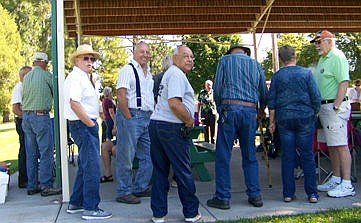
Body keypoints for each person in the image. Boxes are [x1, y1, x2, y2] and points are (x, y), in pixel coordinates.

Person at [207, 44, 267, 209]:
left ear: (231, 52)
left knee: (223, 155)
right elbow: (263, 90)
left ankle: (223, 197)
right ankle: (255, 195)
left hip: (230, 108)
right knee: (250, 155)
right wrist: (261, 109)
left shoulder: (225, 61)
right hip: (250, 111)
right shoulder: (255, 64)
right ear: (245, 52)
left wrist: (220, 108)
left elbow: (218, 88)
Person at [149, 45, 201, 223]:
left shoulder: (169, 74)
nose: (190, 60)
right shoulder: (177, 74)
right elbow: (174, 103)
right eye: (185, 56)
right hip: (172, 127)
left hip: (157, 124)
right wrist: (189, 120)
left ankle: (158, 214)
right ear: (175, 57)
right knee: (183, 171)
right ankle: (191, 213)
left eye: (192, 57)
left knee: (160, 171)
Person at [267, 45, 321, 203]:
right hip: (305, 116)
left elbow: (272, 102)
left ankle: (288, 194)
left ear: (281, 58)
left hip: (284, 118)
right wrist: (315, 112)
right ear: (294, 56)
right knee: (307, 155)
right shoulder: (306, 73)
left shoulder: (277, 76)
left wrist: (271, 122)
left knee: (288, 156)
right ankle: (312, 194)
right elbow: (315, 96)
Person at [64, 44, 112, 220]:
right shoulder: (77, 78)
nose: (90, 61)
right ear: (77, 60)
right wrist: (91, 125)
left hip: (83, 125)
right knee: (92, 166)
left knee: (85, 165)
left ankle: (76, 203)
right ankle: (91, 208)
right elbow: (74, 103)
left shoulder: (83, 77)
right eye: (86, 58)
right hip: (83, 125)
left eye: (92, 58)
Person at [311, 30, 356, 198]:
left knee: (341, 145)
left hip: (333, 107)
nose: (317, 46)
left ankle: (346, 183)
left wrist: (336, 105)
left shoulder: (337, 56)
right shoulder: (324, 59)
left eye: (318, 42)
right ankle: (336, 178)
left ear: (329, 41)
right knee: (331, 145)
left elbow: (343, 82)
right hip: (324, 107)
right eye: (316, 43)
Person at [115, 41, 154, 204]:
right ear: (134, 53)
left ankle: (140, 187)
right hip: (131, 115)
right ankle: (124, 191)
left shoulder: (149, 73)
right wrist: (128, 116)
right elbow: (121, 94)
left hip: (146, 117)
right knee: (126, 155)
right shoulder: (127, 70)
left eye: (147, 52)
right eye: (141, 51)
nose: (145, 54)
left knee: (149, 154)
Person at [21, 52, 61, 197]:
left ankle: (32, 185)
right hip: (40, 116)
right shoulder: (46, 76)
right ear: (44, 63)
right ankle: (46, 185)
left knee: (31, 153)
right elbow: (57, 92)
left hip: (26, 117)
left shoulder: (27, 77)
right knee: (46, 152)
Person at [11, 66, 32, 188]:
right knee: (24, 149)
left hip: (26, 120)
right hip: (22, 121)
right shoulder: (19, 88)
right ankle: (23, 179)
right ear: (24, 76)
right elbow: (15, 108)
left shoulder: (26, 87)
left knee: (29, 149)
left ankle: (28, 176)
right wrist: (27, 118)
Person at [198, 80, 216, 144]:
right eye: (207, 85)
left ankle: (213, 143)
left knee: (213, 129)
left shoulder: (215, 92)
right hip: (204, 113)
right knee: (205, 129)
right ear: (205, 85)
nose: (209, 86)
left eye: (210, 85)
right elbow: (199, 103)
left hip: (213, 113)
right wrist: (198, 113)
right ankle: (206, 143)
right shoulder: (202, 92)